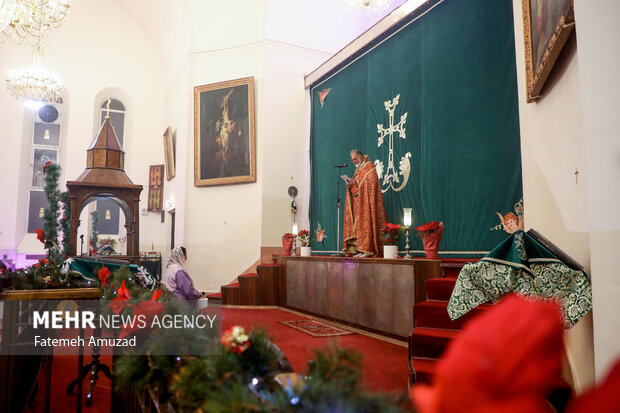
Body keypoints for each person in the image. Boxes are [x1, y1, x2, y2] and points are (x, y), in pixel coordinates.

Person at [342, 149, 387, 257]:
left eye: (355, 159)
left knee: (366, 225)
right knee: (357, 228)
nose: (354, 162)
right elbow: (355, 183)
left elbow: (370, 182)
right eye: (352, 160)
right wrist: (350, 185)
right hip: (357, 203)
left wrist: (356, 182)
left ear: (361, 157)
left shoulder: (369, 168)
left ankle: (367, 249)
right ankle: (359, 249)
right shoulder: (358, 170)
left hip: (366, 203)